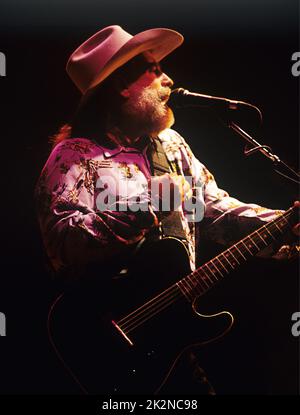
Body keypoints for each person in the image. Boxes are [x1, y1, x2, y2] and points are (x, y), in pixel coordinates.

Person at [35, 25, 299, 394]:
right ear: (121, 86)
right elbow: (62, 241)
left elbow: (212, 209)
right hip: (103, 330)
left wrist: (284, 224)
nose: (168, 80)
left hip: (169, 333)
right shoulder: (74, 156)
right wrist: (145, 207)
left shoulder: (171, 145)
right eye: (154, 70)